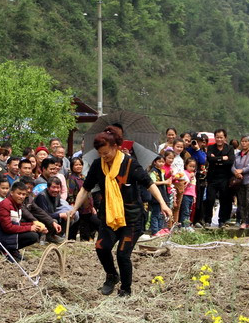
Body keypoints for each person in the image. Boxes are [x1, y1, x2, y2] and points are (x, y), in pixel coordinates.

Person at [65, 127, 171, 297]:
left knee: (122, 254)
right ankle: (112, 276)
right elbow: (85, 189)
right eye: (100, 153)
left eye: (106, 152)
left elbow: (149, 184)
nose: (104, 156)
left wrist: (163, 204)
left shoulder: (130, 164)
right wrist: (74, 208)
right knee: (101, 247)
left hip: (132, 219)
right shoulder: (98, 165)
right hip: (109, 216)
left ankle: (126, 290)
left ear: (116, 147)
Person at [0, 180, 47, 261]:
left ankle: (12, 250)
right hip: (0, 238)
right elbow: (8, 228)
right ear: (11, 193)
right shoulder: (5, 205)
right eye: (19, 194)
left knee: (36, 233)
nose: (21, 196)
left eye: (23, 194)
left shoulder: (17, 206)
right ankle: (5, 249)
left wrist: (34, 226)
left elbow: (17, 224)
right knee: (32, 236)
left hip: (7, 235)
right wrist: (30, 228)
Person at [203, 129, 234, 227]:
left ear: (225, 138)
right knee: (210, 199)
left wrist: (216, 159)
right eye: (217, 137)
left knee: (224, 200)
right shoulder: (211, 147)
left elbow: (230, 161)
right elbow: (210, 159)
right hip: (212, 178)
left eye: (221, 137)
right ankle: (207, 220)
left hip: (225, 177)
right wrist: (222, 159)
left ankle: (222, 221)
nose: (219, 139)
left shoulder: (229, 148)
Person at [67, 157, 97, 241]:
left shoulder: (84, 177)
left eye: (80, 164)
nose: (78, 166)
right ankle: (71, 240)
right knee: (75, 224)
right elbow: (70, 192)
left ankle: (85, 239)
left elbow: (89, 192)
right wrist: (72, 204)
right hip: (77, 205)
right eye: (76, 165)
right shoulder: (71, 178)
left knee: (86, 223)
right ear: (72, 166)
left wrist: (92, 206)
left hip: (87, 205)